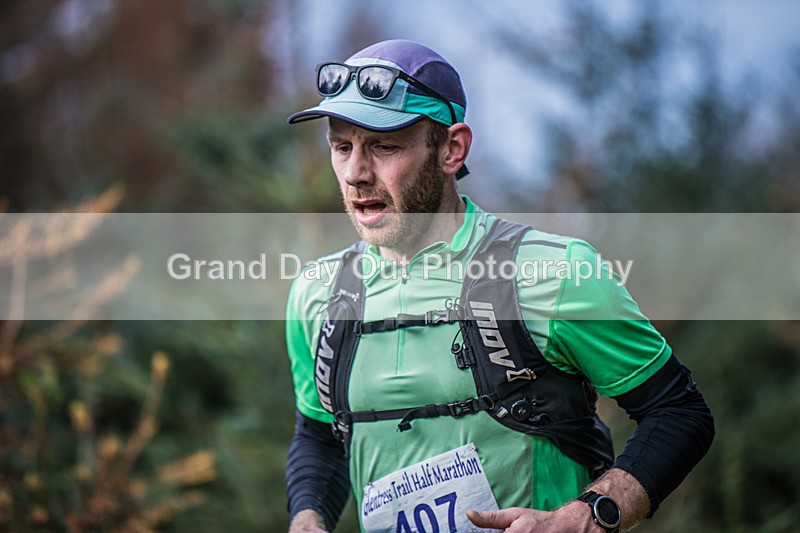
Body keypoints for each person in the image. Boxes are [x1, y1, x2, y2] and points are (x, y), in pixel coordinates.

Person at [283, 39, 714, 533]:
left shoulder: (554, 273)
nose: (355, 173)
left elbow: (679, 412)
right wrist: (307, 517)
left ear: (452, 149)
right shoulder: (318, 293)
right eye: (342, 147)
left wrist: (587, 517)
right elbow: (319, 435)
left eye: (384, 147)